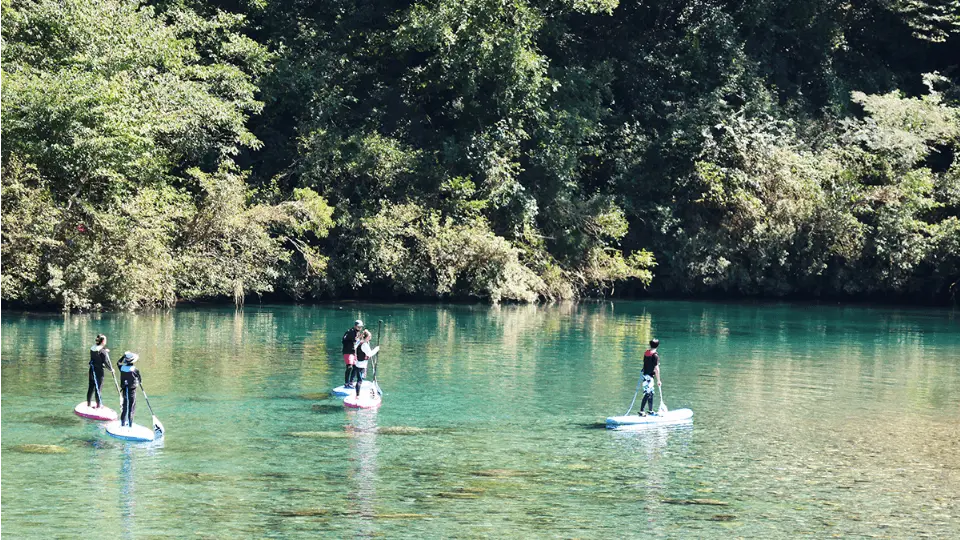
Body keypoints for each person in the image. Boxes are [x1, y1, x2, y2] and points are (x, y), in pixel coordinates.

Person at [87, 334, 114, 409]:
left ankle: (88, 403)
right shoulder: (102, 352)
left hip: (92, 370)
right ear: (103, 341)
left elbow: (98, 354)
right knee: (98, 389)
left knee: (91, 387)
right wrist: (111, 369)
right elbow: (105, 362)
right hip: (99, 372)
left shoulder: (92, 348)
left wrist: (104, 350)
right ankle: (98, 405)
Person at [117, 352, 142, 427]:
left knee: (125, 407)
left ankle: (122, 423)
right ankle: (130, 424)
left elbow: (118, 362)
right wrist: (139, 382)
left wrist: (123, 356)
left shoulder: (122, 368)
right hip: (132, 391)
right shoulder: (135, 370)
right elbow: (140, 379)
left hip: (124, 390)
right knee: (131, 407)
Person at [638, 339, 661, 416]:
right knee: (647, 394)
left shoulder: (646, 353)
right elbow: (657, 369)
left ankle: (650, 410)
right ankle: (641, 411)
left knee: (651, 393)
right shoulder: (655, 355)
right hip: (649, 377)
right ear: (657, 346)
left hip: (645, 376)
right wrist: (658, 380)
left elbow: (645, 363)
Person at [352, 330, 376, 398]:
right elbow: (369, 354)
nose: (370, 337)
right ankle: (357, 395)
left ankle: (358, 393)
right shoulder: (364, 344)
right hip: (361, 364)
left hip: (358, 363)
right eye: (369, 336)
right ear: (366, 337)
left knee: (361, 378)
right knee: (359, 380)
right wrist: (376, 349)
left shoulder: (360, 342)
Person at [342, 320, 363, 388]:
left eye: (361, 327)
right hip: (348, 351)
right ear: (355, 326)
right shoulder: (351, 332)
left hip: (353, 352)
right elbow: (347, 341)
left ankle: (351, 381)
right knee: (349, 367)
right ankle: (346, 383)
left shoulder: (358, 333)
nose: (360, 328)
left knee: (355, 367)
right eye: (358, 327)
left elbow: (357, 343)